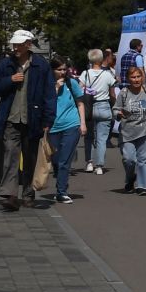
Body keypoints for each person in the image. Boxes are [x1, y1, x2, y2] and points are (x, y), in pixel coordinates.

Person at [0, 30, 54, 210]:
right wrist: (9, 80)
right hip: (10, 119)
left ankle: (28, 194)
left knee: (30, 158)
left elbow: (49, 94)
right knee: (10, 155)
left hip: (34, 120)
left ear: (28, 44)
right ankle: (10, 195)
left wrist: (48, 120)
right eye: (14, 44)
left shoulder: (41, 65)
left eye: (19, 44)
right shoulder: (6, 64)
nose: (15, 48)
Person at [115, 64, 146, 194]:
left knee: (144, 158)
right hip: (127, 131)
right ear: (128, 79)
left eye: (138, 77)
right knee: (129, 159)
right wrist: (118, 113)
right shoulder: (124, 93)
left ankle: (143, 186)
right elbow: (115, 108)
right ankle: (130, 178)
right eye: (133, 77)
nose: (136, 79)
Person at [48, 58, 85, 204]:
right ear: (52, 70)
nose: (63, 72)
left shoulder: (72, 83)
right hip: (52, 126)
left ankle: (61, 191)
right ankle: (60, 182)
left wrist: (82, 123)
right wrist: (56, 88)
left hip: (71, 124)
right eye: (59, 69)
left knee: (64, 160)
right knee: (56, 160)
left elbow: (80, 103)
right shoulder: (46, 84)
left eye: (64, 69)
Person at [80, 48, 117, 174]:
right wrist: (114, 105)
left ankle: (89, 162)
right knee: (101, 138)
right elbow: (112, 94)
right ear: (102, 59)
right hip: (104, 106)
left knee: (88, 137)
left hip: (88, 107)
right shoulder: (108, 75)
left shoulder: (85, 74)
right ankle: (99, 166)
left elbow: (80, 90)